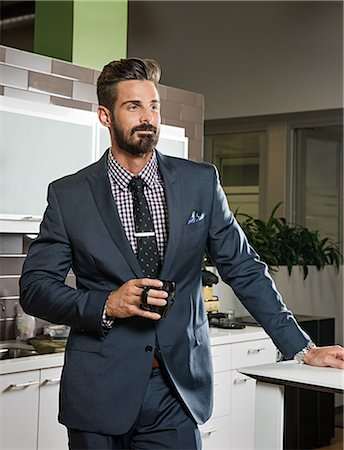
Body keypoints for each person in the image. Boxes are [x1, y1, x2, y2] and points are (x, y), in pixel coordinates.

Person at [20, 57, 344, 450]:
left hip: (176, 391)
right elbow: (35, 288)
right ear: (106, 116)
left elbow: (244, 268)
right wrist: (106, 303)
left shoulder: (200, 182)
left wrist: (302, 347)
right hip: (99, 392)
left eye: (153, 106)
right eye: (133, 106)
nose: (148, 117)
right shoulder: (69, 195)